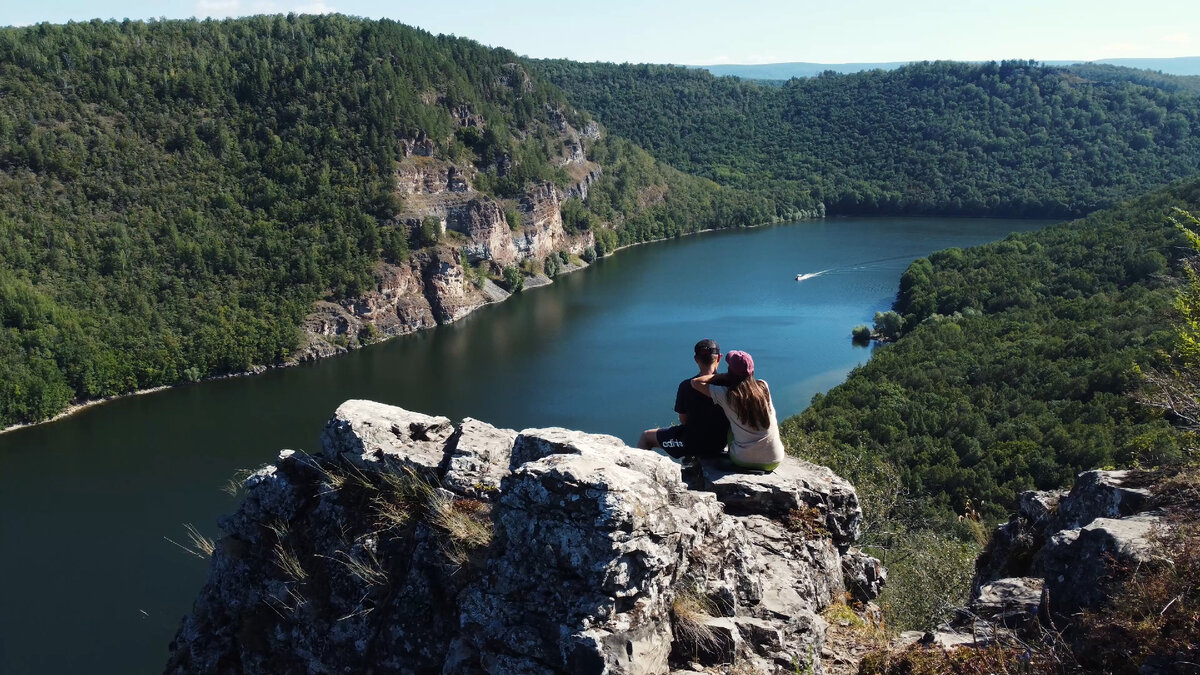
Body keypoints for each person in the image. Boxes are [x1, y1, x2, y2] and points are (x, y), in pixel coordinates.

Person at [690, 350, 785, 472]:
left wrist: (722, 376)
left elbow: (695, 382)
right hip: (774, 459)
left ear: (731, 372)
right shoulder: (763, 386)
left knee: (730, 428)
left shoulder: (726, 395)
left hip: (742, 460)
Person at [637, 339, 731, 460]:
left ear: (696, 359)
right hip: (720, 442)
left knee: (646, 437)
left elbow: (683, 420)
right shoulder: (729, 385)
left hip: (692, 443)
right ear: (719, 357)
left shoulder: (686, 386)